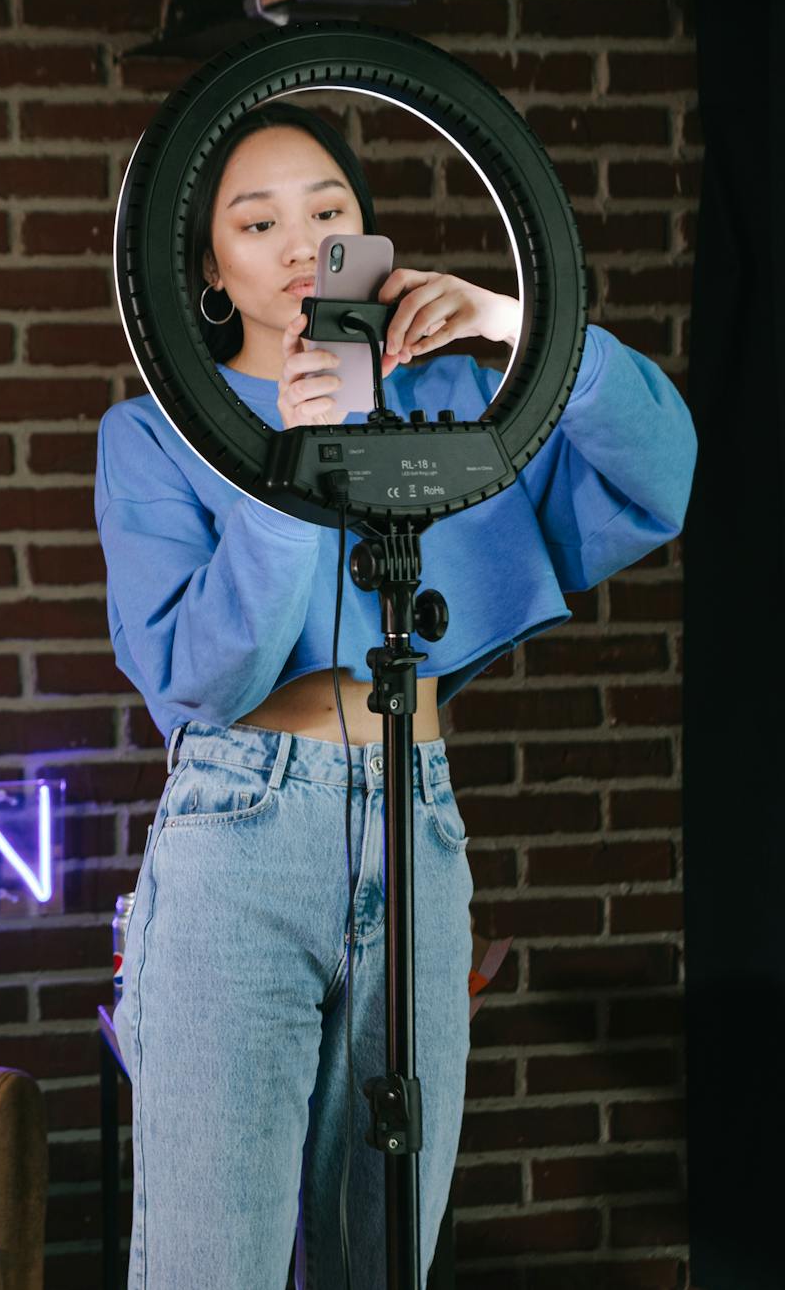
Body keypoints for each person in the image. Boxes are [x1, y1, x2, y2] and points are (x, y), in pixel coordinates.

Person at [94, 100, 697, 1288]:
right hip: (241, 830)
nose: (296, 240)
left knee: (383, 1259)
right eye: (253, 220)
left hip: (415, 821)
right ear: (207, 266)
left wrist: (520, 325)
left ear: (364, 235)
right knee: (213, 1266)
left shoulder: (460, 398)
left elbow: (660, 478)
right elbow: (198, 676)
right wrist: (288, 469)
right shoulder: (155, 435)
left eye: (326, 211)